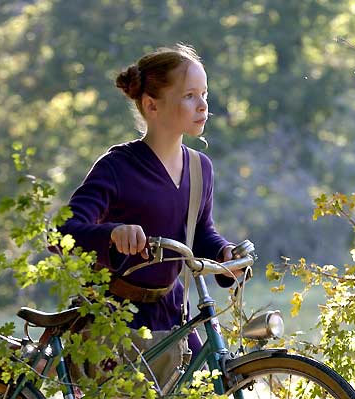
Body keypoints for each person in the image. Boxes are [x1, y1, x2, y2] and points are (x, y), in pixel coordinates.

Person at [58, 43, 237, 361]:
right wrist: (112, 234)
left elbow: (199, 232)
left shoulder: (200, 168)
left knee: (213, 378)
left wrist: (223, 252)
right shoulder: (116, 167)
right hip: (114, 320)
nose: (203, 106)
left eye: (204, 94)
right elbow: (62, 233)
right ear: (152, 106)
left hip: (172, 312)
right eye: (189, 96)